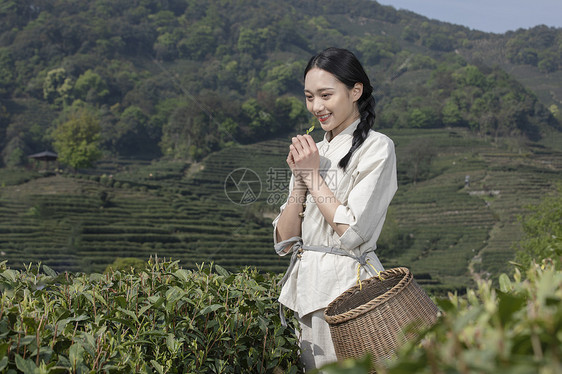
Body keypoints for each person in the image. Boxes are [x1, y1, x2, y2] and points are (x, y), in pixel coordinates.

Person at [272, 47, 398, 371]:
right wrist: (300, 180)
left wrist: (312, 176)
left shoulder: (377, 147)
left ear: (355, 91)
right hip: (306, 289)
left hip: (348, 291)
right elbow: (285, 242)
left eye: (326, 95)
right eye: (309, 96)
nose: (317, 107)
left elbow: (353, 232)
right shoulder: (314, 152)